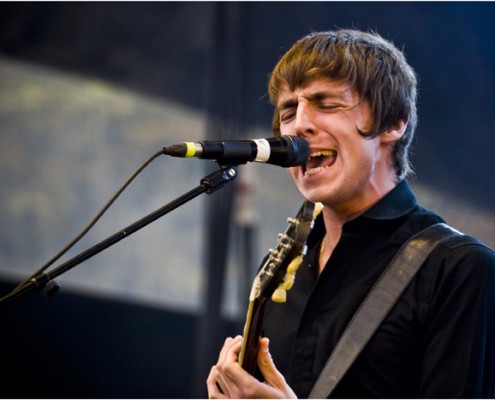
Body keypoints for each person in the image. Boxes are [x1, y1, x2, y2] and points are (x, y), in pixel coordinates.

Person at [206, 29, 495, 398]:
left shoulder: (458, 269)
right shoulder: (279, 269)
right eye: (288, 111)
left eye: (325, 104)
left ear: (394, 123)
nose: (299, 125)